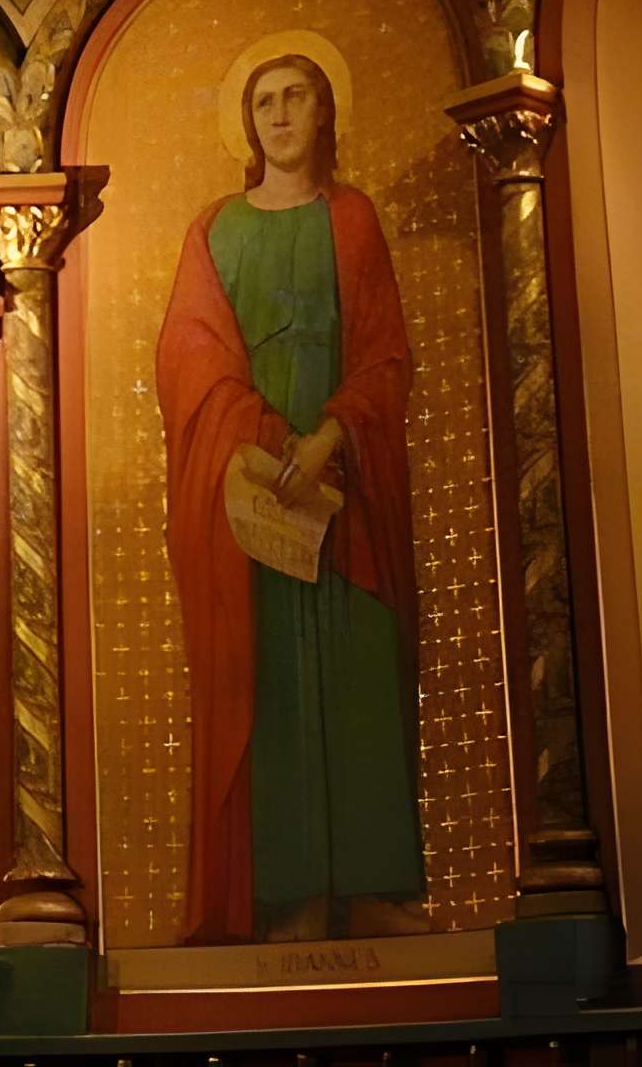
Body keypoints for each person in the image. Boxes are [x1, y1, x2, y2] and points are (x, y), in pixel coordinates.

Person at [154, 53, 427, 945]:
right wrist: (268, 439)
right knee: (270, 682)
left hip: (343, 487)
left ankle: (371, 885)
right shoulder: (216, 229)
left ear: (325, 114)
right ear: (246, 120)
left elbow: (386, 352)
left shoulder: (352, 220)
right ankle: (291, 894)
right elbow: (190, 357)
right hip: (260, 495)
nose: (278, 116)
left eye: (295, 98)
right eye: (262, 101)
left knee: (357, 671)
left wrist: (332, 435)